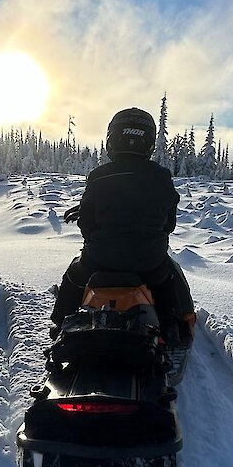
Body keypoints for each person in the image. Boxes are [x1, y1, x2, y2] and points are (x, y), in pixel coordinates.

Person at [50, 107, 196, 348]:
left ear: (112, 139)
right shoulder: (161, 176)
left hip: (100, 260)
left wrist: (97, 239)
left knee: (74, 276)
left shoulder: (99, 175)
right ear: (148, 142)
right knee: (171, 279)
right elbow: (169, 223)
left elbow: (86, 221)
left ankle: (59, 324)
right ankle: (174, 329)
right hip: (150, 262)